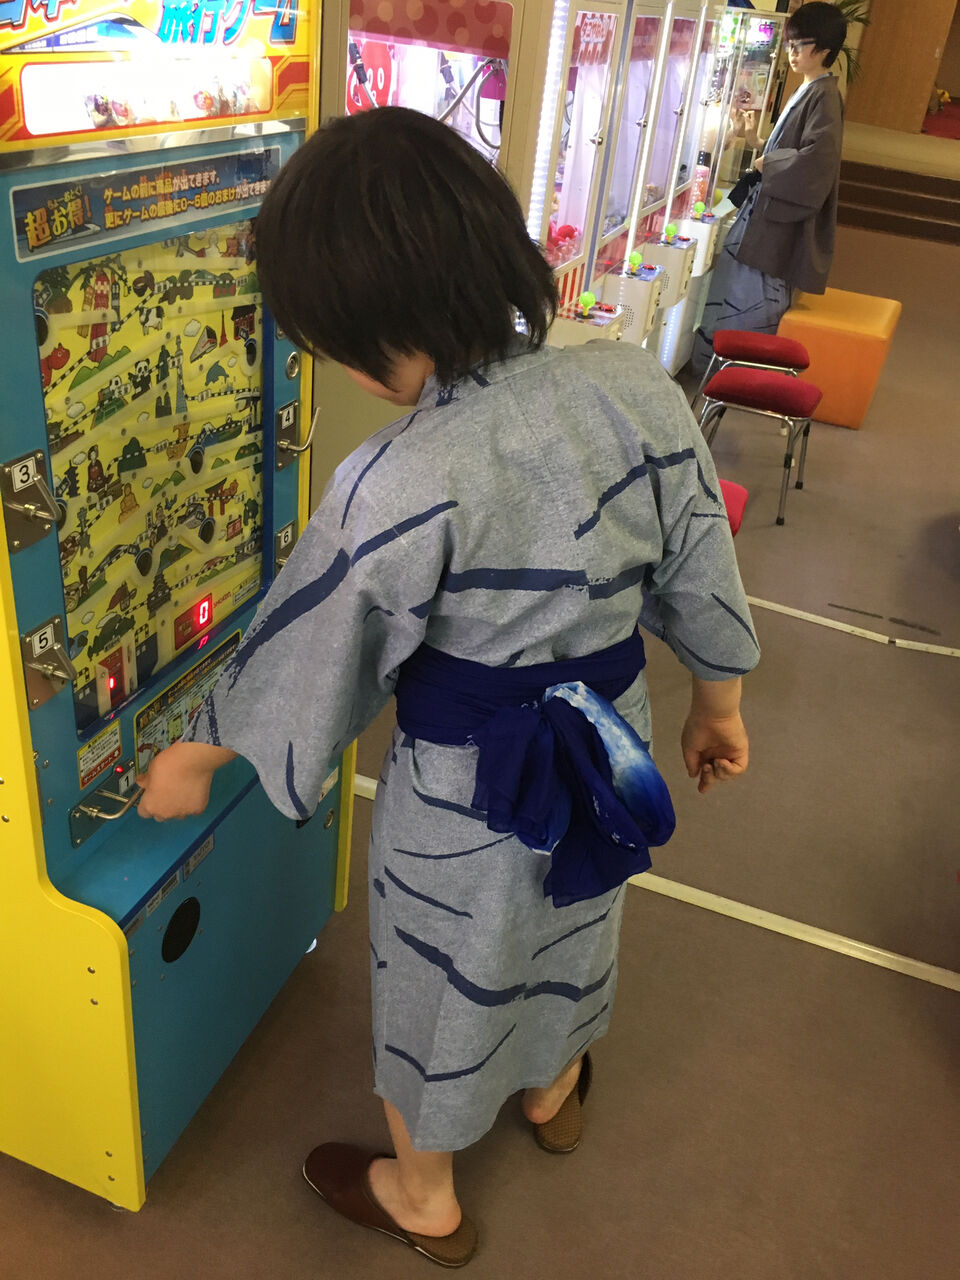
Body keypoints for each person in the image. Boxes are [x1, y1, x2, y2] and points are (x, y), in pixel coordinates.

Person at [135, 107, 758, 1268]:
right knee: (576, 912)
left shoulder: (399, 476)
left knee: (441, 971)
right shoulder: (634, 384)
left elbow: (315, 641)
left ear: (380, 329)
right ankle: (553, 1085)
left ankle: (423, 1193)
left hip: (466, 791)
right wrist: (718, 704)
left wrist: (201, 749)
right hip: (609, 743)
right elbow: (698, 561)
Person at [691, 2, 848, 375]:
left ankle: (738, 373)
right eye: (791, 44)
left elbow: (817, 162)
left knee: (752, 293)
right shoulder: (810, 89)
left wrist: (770, 163)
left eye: (801, 45)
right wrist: (756, 142)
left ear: (824, 49)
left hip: (777, 218)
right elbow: (790, 150)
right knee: (737, 284)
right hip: (768, 206)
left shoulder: (824, 96)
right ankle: (719, 365)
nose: (792, 52)